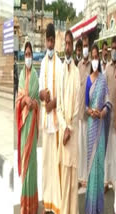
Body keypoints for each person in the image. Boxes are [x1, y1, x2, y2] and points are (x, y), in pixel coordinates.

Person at [84, 44, 112, 214]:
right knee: (91, 165)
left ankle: (99, 208)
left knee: (99, 165)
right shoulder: (88, 80)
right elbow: (85, 105)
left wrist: (102, 112)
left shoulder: (103, 79)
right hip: (91, 127)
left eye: (96, 57)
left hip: (100, 127)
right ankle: (90, 207)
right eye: (92, 57)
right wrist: (90, 111)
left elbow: (108, 102)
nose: (94, 60)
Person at [38, 23, 62, 213]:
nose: (50, 43)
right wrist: (42, 96)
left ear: (55, 41)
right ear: (45, 41)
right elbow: (39, 89)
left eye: (52, 40)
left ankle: (56, 203)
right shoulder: (43, 63)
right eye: (48, 39)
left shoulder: (60, 64)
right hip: (46, 124)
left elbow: (62, 93)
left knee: (56, 165)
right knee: (46, 164)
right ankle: (46, 202)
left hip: (56, 122)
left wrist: (53, 102)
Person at [56, 30, 80, 214]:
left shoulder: (77, 72)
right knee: (64, 177)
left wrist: (69, 128)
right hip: (64, 133)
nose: (68, 46)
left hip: (72, 133)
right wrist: (63, 127)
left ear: (74, 46)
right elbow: (58, 107)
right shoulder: (61, 71)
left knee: (73, 180)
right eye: (66, 43)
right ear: (64, 46)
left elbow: (78, 106)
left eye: (70, 43)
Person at [16, 41, 39, 214]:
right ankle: (25, 205)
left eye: (31, 54)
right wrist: (24, 100)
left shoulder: (36, 75)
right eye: (27, 54)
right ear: (24, 56)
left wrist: (33, 102)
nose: (29, 57)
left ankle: (32, 206)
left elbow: (37, 98)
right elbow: (19, 99)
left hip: (33, 125)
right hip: (24, 126)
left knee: (32, 163)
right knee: (25, 162)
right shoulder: (22, 75)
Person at [78, 33, 91, 188]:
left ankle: (88, 177)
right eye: (84, 46)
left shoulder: (92, 66)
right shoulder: (79, 65)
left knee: (88, 147)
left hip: (89, 115)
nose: (86, 49)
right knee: (80, 147)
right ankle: (81, 177)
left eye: (88, 45)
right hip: (79, 114)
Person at [104, 36, 116, 208]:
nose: (113, 51)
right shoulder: (106, 68)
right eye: (112, 48)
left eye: (115, 48)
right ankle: (107, 181)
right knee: (109, 155)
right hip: (108, 121)